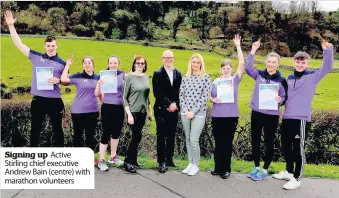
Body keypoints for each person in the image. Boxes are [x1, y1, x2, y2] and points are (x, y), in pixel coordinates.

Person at [273, 40, 334, 190]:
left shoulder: (313, 76)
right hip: (287, 117)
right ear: (294, 62)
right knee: (285, 146)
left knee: (298, 149)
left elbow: (327, 67)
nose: (300, 64)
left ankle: (297, 178)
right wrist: (280, 101)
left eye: (303, 62)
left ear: (307, 63)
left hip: (301, 119)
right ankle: (288, 171)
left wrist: (327, 51)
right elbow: (286, 97)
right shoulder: (290, 78)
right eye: (298, 61)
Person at [4, 10, 66, 147]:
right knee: (35, 130)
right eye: (48, 46)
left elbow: (67, 81)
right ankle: (33, 155)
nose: (51, 48)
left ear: (57, 46)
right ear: (45, 46)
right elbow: (19, 44)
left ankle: (60, 156)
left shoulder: (63, 63)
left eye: (53, 46)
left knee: (58, 130)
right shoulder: (36, 56)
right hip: (38, 100)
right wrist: (11, 26)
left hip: (55, 100)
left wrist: (59, 81)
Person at [245, 39, 288, 181]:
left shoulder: (281, 80)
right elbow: (248, 68)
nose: (271, 64)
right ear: (266, 62)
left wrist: (279, 100)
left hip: (271, 116)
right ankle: (256, 167)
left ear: (278, 64)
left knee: (269, 142)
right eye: (269, 62)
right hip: (257, 113)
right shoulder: (259, 74)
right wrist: (253, 50)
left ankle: (264, 169)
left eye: (274, 62)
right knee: (255, 140)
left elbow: (285, 96)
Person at [210, 34, 245, 179]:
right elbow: (209, 96)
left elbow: (242, 64)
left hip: (230, 117)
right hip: (217, 116)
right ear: (221, 69)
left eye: (228, 68)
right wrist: (213, 99)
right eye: (223, 68)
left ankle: (226, 169)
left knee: (226, 143)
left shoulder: (234, 79)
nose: (226, 70)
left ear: (231, 69)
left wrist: (238, 46)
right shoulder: (216, 81)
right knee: (218, 143)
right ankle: (218, 168)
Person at [179, 53, 211, 176]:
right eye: (194, 62)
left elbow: (204, 97)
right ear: (190, 63)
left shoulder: (206, 77)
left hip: (198, 114)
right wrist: (186, 110)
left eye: (198, 62)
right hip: (185, 113)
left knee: (194, 140)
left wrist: (193, 111)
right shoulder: (185, 76)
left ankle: (196, 165)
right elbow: (181, 95)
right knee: (187, 138)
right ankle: (190, 163)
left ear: (201, 64)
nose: (195, 65)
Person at [61, 56, 99, 152]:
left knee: (90, 136)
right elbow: (63, 79)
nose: (87, 64)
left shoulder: (98, 77)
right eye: (85, 62)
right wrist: (67, 65)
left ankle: (90, 158)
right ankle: (78, 158)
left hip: (93, 111)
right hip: (78, 112)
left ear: (93, 64)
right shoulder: (78, 76)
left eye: (89, 62)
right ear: (83, 65)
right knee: (78, 136)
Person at [152, 50, 182, 173]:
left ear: (173, 59)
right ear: (162, 59)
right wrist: (169, 104)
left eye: (170, 58)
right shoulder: (157, 73)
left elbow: (180, 91)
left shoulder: (178, 73)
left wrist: (176, 105)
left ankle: (169, 159)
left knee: (171, 135)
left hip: (174, 109)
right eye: (166, 58)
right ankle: (161, 161)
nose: (168, 60)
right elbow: (157, 93)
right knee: (161, 136)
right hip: (161, 109)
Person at [94, 56, 126, 172]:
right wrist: (98, 85)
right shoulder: (103, 75)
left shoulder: (123, 75)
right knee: (106, 132)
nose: (113, 64)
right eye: (111, 62)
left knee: (116, 132)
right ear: (108, 64)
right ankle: (101, 160)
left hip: (119, 107)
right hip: (107, 106)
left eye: (115, 63)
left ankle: (113, 157)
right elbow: (97, 93)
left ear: (118, 64)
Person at [123, 55, 152, 173]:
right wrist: (129, 115)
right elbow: (124, 98)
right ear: (134, 64)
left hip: (143, 112)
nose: (140, 65)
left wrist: (150, 112)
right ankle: (127, 162)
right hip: (133, 111)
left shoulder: (146, 77)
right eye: (138, 63)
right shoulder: (129, 78)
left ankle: (133, 159)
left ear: (145, 65)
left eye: (142, 63)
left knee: (138, 135)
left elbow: (147, 96)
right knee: (136, 136)